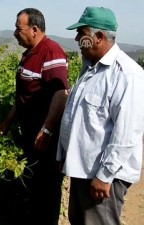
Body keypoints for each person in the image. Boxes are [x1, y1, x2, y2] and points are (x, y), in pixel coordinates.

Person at [58, 6, 144, 225]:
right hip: (83, 170)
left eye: (81, 33)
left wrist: (104, 176)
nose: (77, 38)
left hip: (102, 177)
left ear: (99, 36)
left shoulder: (127, 74)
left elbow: (127, 133)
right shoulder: (89, 69)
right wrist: (65, 155)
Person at [0, 8, 69, 225]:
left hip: (46, 137)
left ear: (34, 29)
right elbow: (24, 97)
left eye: (19, 29)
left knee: (47, 190)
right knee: (34, 189)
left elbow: (60, 93)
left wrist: (46, 129)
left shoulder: (51, 52)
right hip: (32, 134)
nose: (15, 33)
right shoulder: (29, 54)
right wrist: (6, 123)